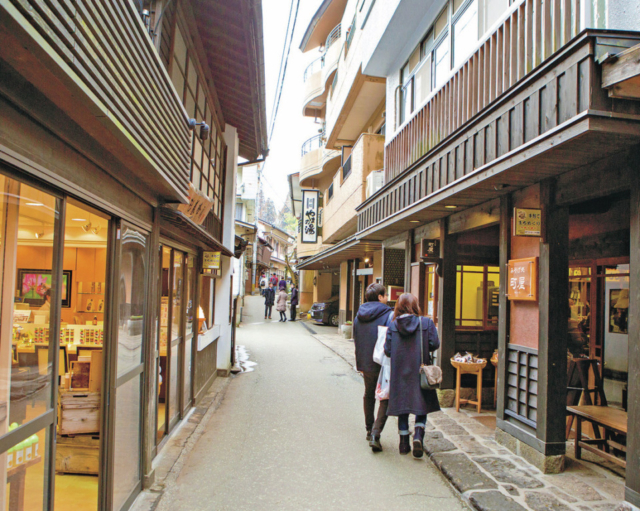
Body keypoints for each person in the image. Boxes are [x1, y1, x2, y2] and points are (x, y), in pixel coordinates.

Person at [384, 293, 440, 458]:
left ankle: (403, 444)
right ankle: (418, 435)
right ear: (415, 306)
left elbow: (387, 350)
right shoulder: (426, 323)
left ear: (398, 307)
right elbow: (434, 344)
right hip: (420, 371)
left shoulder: (393, 325)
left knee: (403, 406)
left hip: (399, 372)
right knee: (421, 405)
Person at [353, 283, 394, 452]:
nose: (387, 298)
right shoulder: (388, 314)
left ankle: (369, 429)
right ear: (379, 297)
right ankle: (376, 433)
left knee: (369, 393)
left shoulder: (358, 315)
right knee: (385, 397)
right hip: (383, 362)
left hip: (365, 361)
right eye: (385, 295)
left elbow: (355, 337)